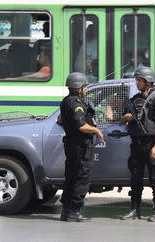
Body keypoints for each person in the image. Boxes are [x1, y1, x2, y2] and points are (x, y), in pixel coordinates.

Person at [120, 66, 155, 222]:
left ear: (147, 82)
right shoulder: (134, 100)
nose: (137, 83)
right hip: (137, 144)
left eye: (139, 80)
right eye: (136, 80)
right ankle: (135, 209)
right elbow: (121, 120)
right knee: (135, 177)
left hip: (151, 143)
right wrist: (127, 117)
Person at [59, 72, 104, 222]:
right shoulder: (76, 103)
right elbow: (82, 126)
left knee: (71, 177)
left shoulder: (68, 101)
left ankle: (66, 212)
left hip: (73, 145)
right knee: (81, 178)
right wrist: (96, 130)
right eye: (85, 86)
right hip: (80, 146)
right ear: (78, 87)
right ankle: (74, 212)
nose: (86, 89)